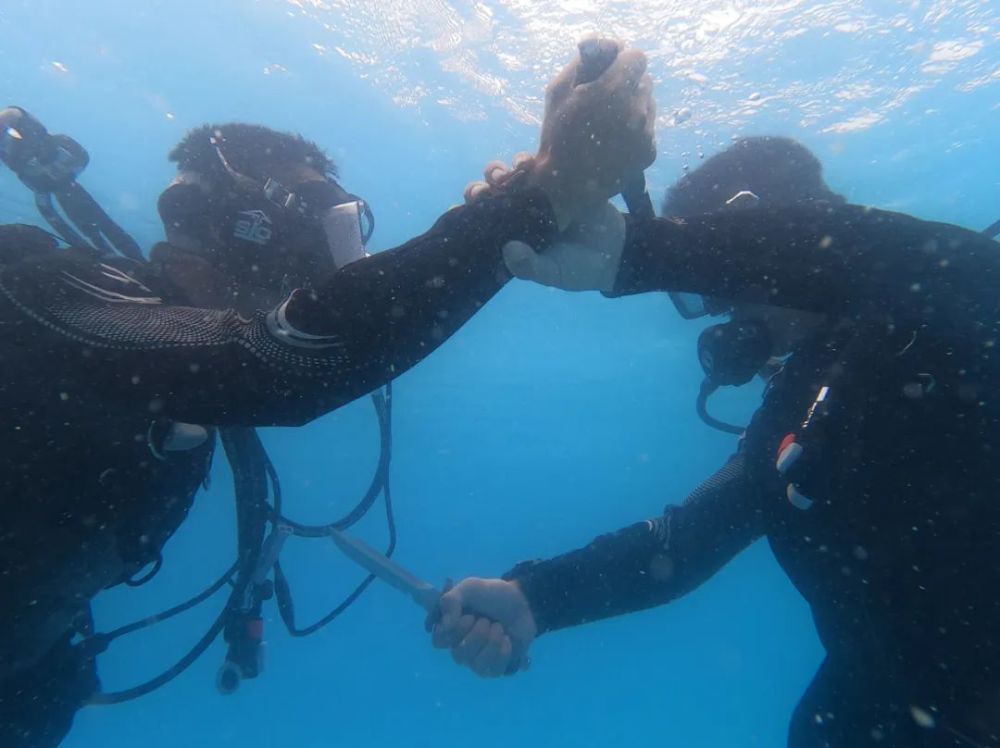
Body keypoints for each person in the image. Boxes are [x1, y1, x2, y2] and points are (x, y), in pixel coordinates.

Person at [0, 43, 656, 748]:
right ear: (244, 222)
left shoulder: (172, 370)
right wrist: (544, 194)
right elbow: (281, 364)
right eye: (314, 217)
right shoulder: (48, 288)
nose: (328, 254)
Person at [430, 134, 1000, 747]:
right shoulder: (791, 419)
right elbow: (681, 544)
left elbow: (916, 262)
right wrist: (534, 598)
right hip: (901, 705)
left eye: (723, 281)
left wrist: (645, 250)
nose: (724, 317)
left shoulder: (956, 312)